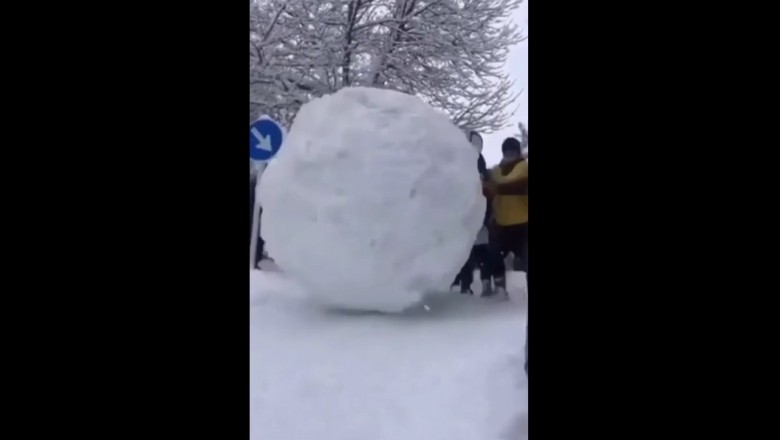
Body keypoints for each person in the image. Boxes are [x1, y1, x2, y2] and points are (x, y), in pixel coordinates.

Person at [451, 131, 494, 294]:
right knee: (464, 252)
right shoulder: (459, 163)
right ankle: (463, 285)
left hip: (479, 213)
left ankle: (480, 283)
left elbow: (487, 189)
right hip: (464, 215)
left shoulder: (478, 164)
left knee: (478, 251)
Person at [484, 137, 528, 297]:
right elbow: (490, 191)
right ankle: (500, 287)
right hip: (502, 222)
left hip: (523, 222)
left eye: (513, 152)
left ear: (517, 152)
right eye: (507, 152)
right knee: (494, 256)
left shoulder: (523, 166)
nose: (510, 154)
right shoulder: (497, 170)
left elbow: (510, 182)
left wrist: (494, 180)